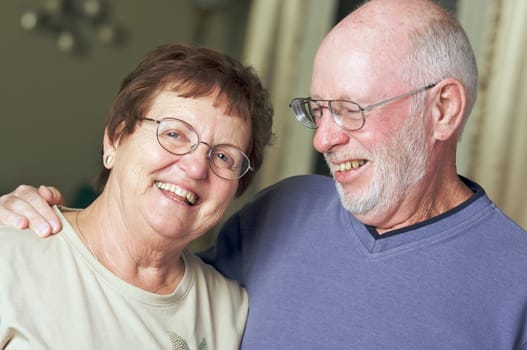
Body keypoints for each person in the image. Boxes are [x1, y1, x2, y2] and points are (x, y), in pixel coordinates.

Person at [2, 0, 527, 348]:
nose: (322, 140)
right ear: (115, 137)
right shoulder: (287, 210)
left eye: (351, 109)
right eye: (318, 111)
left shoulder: (516, 286)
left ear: (442, 111)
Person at [0, 42, 273, 349]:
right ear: (115, 139)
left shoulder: (231, 312)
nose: (197, 167)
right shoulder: (9, 257)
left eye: (224, 157)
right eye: (174, 134)